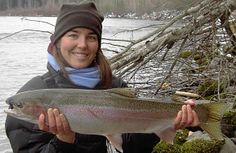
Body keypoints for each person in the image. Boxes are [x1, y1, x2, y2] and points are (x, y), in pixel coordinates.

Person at [5, 2, 199, 153]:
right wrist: (63, 141)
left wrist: (171, 121)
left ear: (98, 43)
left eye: (91, 37)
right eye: (73, 35)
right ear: (56, 40)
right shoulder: (31, 93)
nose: (82, 44)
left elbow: (133, 147)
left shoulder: (114, 85)